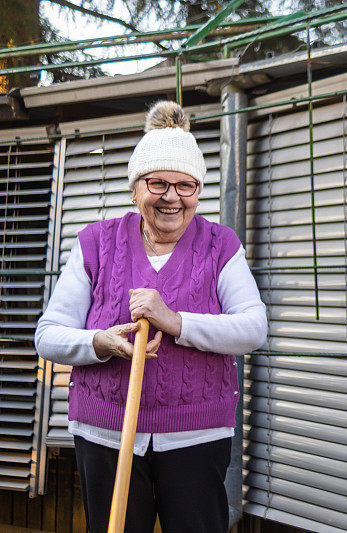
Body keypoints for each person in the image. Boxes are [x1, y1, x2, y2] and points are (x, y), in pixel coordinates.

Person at [35, 101, 267, 533]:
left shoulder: (221, 245)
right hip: (104, 433)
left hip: (196, 435)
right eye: (158, 182)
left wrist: (175, 321)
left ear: (198, 189)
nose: (172, 197)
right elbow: (48, 335)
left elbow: (253, 327)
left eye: (187, 186)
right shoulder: (97, 243)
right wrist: (100, 344)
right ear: (135, 187)